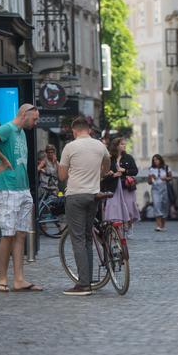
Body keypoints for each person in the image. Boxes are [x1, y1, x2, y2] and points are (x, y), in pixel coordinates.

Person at [0, 104, 43, 293]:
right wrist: (2, 158)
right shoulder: (8, 128)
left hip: (22, 188)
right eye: (34, 119)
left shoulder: (21, 132)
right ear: (24, 115)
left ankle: (19, 279)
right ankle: (2, 279)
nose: (36, 122)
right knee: (8, 234)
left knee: (21, 234)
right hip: (7, 188)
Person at [58, 117, 110, 296]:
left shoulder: (70, 147)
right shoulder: (100, 146)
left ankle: (83, 284)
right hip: (93, 195)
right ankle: (88, 280)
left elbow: (62, 176)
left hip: (75, 195)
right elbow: (107, 165)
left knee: (78, 239)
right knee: (88, 238)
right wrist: (99, 175)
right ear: (89, 130)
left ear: (74, 130)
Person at [101, 137, 140, 230]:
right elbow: (104, 175)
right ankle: (117, 230)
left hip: (126, 187)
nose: (124, 145)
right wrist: (113, 175)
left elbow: (135, 171)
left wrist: (125, 171)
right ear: (116, 146)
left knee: (129, 208)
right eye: (122, 144)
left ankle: (128, 227)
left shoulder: (128, 157)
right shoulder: (110, 158)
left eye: (124, 144)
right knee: (115, 209)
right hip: (114, 186)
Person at [147, 154, 172, 231]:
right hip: (155, 189)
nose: (155, 161)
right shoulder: (151, 169)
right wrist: (151, 178)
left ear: (160, 160)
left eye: (157, 159)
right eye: (154, 160)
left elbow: (170, 178)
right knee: (156, 205)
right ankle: (158, 225)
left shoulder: (166, 167)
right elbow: (149, 182)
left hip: (164, 189)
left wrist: (165, 178)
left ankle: (163, 226)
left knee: (164, 206)